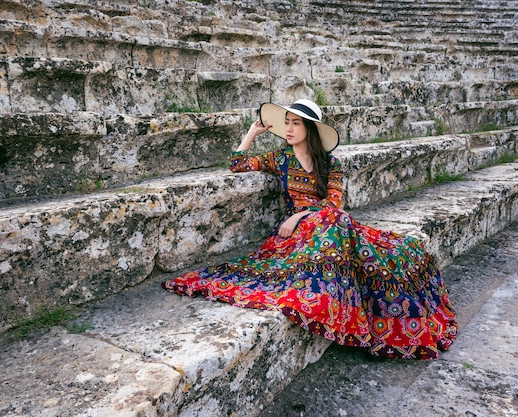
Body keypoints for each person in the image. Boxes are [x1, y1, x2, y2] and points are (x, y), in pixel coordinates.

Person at [162, 99, 458, 360]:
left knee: (400, 249)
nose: (288, 129)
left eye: (295, 124)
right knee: (338, 225)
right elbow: (237, 163)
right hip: (303, 235)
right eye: (286, 123)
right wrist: (253, 132)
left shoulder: (332, 164)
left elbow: (334, 202)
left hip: (327, 223)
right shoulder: (280, 158)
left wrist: (298, 215)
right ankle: (324, 299)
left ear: (310, 129)